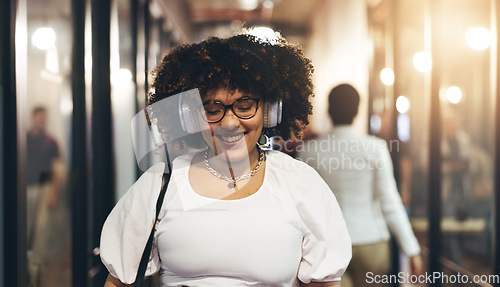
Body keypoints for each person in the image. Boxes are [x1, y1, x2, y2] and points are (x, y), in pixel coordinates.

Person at [101, 30, 352, 287]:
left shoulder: (301, 183)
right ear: (192, 117)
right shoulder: (160, 185)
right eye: (212, 109)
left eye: (244, 106)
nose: (230, 122)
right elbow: (117, 281)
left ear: (269, 111)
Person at [298, 84, 422, 287]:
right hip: (371, 240)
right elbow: (390, 202)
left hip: (329, 243)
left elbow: (303, 205)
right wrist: (412, 249)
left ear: (329, 110)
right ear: (357, 111)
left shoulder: (310, 152)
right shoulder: (376, 148)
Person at [26, 106, 62, 286]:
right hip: (25, 189)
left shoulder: (51, 142)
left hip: (44, 188)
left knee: (41, 229)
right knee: (25, 229)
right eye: (38, 117)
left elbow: (56, 169)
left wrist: (53, 194)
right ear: (33, 118)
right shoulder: (23, 139)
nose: (41, 120)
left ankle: (36, 271)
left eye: (43, 118)